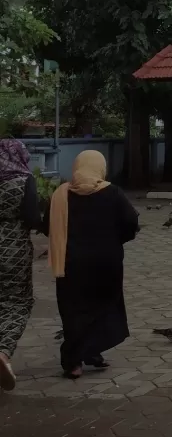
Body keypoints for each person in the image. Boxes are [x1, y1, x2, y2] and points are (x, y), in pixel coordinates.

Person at [45, 149, 139, 378]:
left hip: (71, 264)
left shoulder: (61, 195)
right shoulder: (113, 193)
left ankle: (74, 363)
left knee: (74, 311)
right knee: (102, 307)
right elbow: (131, 222)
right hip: (106, 263)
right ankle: (93, 351)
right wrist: (115, 240)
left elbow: (47, 225)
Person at [0, 139, 40, 390]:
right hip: (13, 251)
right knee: (17, 302)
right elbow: (33, 218)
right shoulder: (24, 180)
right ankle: (3, 353)